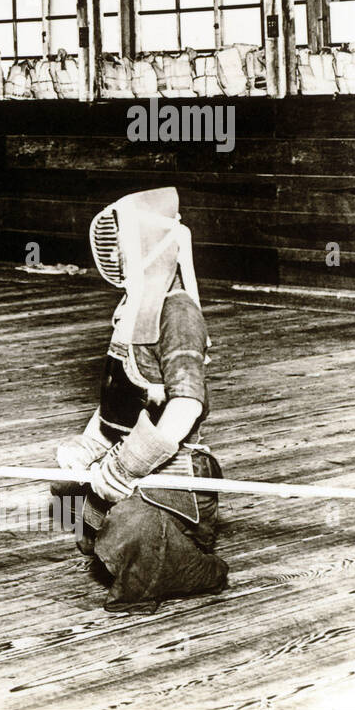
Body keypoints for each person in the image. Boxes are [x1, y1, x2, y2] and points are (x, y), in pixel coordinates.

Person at [54, 187, 228, 612]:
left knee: (131, 526)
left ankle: (198, 566)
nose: (118, 259)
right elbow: (117, 400)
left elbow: (186, 406)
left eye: (124, 248)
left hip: (175, 475)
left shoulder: (179, 312)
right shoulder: (131, 311)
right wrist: (87, 446)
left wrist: (124, 467)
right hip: (124, 459)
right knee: (65, 491)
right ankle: (115, 545)